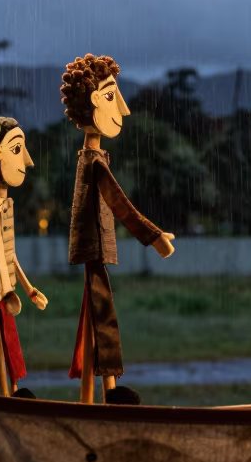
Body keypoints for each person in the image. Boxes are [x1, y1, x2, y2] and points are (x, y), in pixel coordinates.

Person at [60, 54, 176, 406]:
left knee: (98, 315)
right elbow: (119, 203)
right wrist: (154, 237)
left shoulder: (92, 159)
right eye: (112, 96)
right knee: (103, 315)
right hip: (93, 249)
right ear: (95, 100)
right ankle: (106, 393)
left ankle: (104, 391)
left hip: (94, 249)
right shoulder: (93, 162)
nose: (123, 109)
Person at [0, 116, 48, 398]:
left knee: (9, 343)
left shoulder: (7, 203)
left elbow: (9, 253)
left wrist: (28, 289)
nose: (27, 161)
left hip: (6, 290)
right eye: (18, 149)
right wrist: (5, 290)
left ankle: (13, 391)